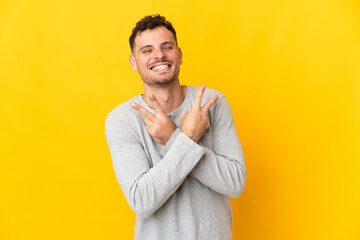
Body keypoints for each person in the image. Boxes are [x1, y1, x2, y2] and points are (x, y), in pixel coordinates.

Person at [105, 14, 246, 240]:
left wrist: (173, 138)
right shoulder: (122, 119)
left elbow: (235, 182)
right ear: (134, 62)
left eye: (166, 46)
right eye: (147, 50)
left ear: (179, 55)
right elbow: (142, 201)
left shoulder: (213, 103)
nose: (159, 55)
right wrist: (187, 138)